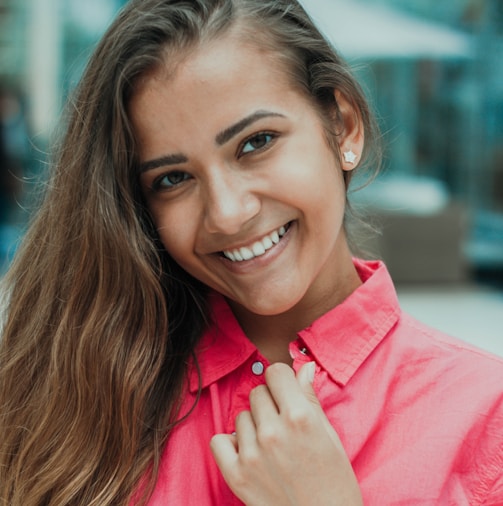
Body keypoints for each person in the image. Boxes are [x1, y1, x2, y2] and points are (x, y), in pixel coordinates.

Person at [0, 0, 502, 504]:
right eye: (173, 179)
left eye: (256, 142)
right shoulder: (71, 395)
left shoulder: (485, 416)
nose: (226, 213)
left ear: (344, 124)